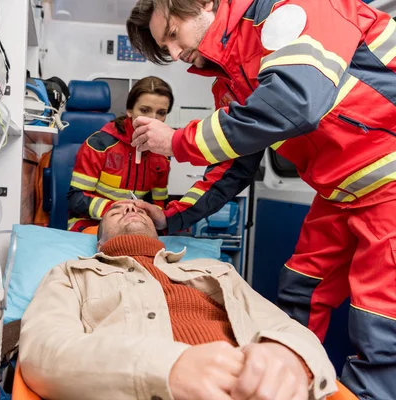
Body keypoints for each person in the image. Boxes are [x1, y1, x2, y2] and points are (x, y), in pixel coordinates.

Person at [125, 1, 396, 397]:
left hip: (389, 179)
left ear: (202, 4)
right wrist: (171, 218)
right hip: (343, 191)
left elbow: (295, 104)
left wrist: (178, 141)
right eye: (164, 47)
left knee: (380, 319)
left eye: (171, 34)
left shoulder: (293, 10)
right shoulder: (232, 79)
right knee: (300, 291)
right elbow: (230, 166)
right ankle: (287, 385)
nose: (173, 53)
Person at [19, 200, 336, 400]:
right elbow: (43, 351)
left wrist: (291, 358)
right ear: (99, 240)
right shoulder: (71, 273)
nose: (131, 208)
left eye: (140, 209)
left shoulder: (214, 270)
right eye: (116, 209)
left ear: (158, 234)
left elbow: (283, 326)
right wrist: (165, 369)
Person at [67, 76, 173, 233]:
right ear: (129, 110)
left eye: (161, 113)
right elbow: (76, 199)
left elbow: (158, 205)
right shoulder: (99, 145)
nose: (153, 119)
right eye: (144, 110)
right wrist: (118, 210)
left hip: (136, 225)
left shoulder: (162, 155)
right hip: (93, 222)